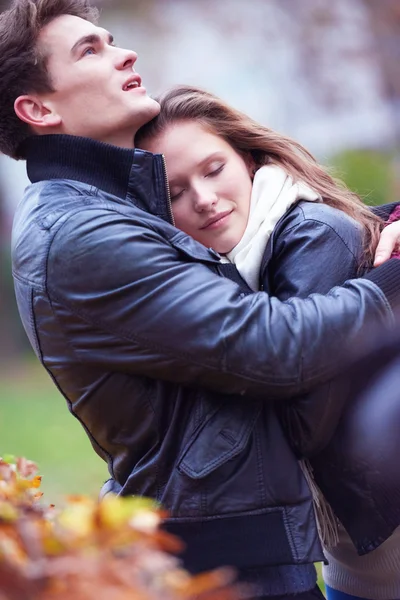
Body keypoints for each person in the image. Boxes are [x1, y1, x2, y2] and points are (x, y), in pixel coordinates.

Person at [2, 0, 400, 598]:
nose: (124, 53)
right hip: (222, 557)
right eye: (90, 50)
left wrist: (370, 228)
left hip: (236, 543)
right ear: (38, 108)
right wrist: (391, 275)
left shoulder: (104, 211)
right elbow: (270, 345)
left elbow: (251, 272)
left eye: (110, 39)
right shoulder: (81, 231)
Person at [135, 85, 400, 600]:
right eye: (174, 193)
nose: (204, 199)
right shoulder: (234, 266)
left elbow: (302, 422)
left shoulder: (312, 236)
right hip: (357, 563)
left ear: (251, 160)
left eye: (213, 169)